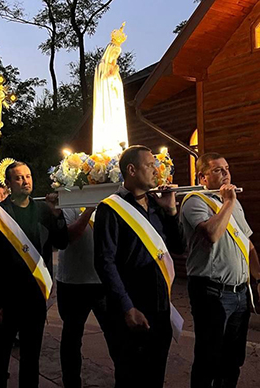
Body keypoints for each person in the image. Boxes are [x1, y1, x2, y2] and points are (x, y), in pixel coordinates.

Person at [94, 145, 185, 388]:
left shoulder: (157, 206)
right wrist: (127, 308)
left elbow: (179, 247)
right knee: (130, 377)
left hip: (160, 306)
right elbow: (105, 263)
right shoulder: (109, 209)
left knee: (155, 376)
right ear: (131, 170)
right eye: (150, 165)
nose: (156, 170)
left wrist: (172, 210)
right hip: (131, 309)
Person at [180, 152, 260, 388]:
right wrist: (228, 203)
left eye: (227, 168)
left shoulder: (231, 201)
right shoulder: (195, 201)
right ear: (202, 176)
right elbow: (212, 234)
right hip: (211, 291)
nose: (226, 173)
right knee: (208, 359)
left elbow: (247, 243)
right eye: (218, 170)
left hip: (240, 292)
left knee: (233, 360)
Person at [0, 161, 68, 388]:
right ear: (8, 184)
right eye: (18, 178)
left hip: (34, 299)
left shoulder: (43, 211)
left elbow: (62, 241)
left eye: (28, 176)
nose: (25, 181)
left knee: (31, 361)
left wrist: (58, 214)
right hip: (5, 300)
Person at [56, 207, 112, 388]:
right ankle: (71, 383)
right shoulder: (69, 202)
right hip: (73, 282)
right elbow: (68, 237)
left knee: (116, 335)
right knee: (71, 339)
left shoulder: (110, 201)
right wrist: (88, 209)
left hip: (103, 281)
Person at [92, 23, 128, 155]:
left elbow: (118, 86)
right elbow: (102, 83)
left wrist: (115, 79)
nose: (115, 58)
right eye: (113, 54)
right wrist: (109, 77)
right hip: (106, 103)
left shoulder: (115, 70)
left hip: (115, 103)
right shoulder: (102, 67)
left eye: (117, 55)